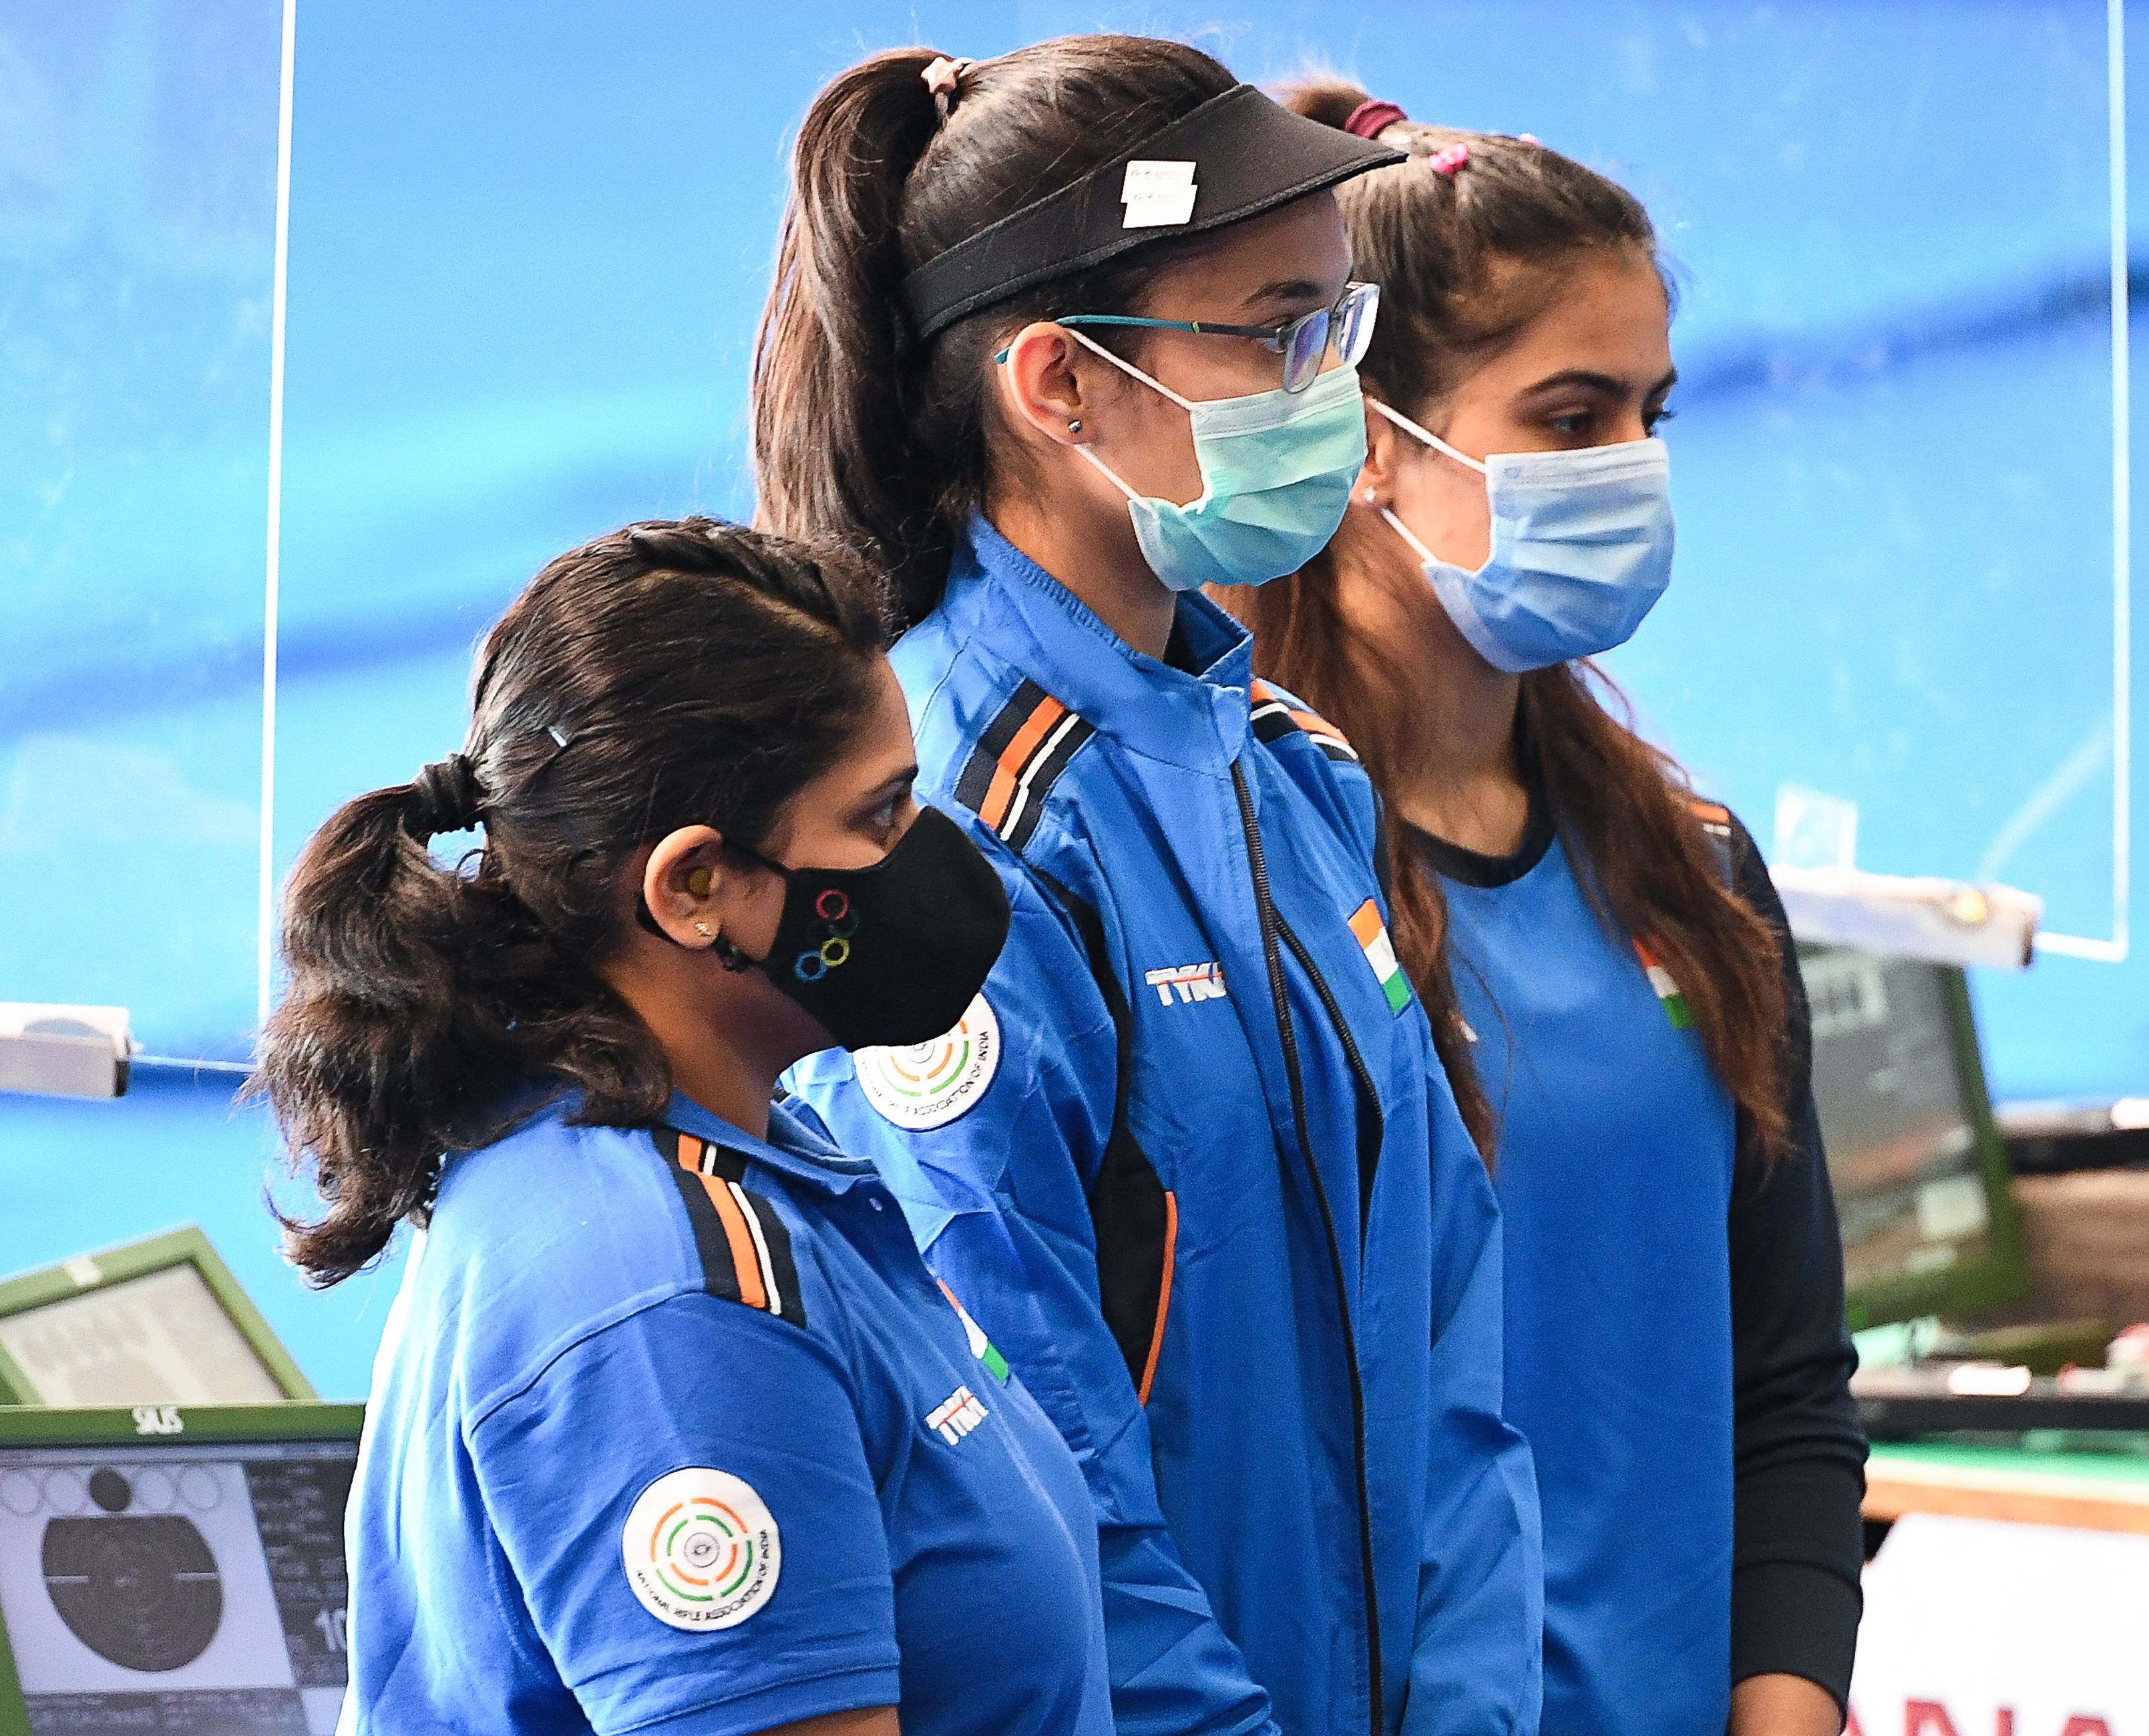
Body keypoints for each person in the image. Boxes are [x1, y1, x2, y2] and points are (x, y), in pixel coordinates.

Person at [751, 37, 1540, 1736]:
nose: (1327, 390)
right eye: (1272, 333)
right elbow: (1029, 1462)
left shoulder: (1288, 766)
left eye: (1338, 328)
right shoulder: (944, 837)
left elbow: (1453, 1322)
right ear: (1060, 384)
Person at [1224, 85, 1869, 1736]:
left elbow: (1785, 1391)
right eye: (1573, 418)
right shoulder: (1244, 893)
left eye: (1655, 411)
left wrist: (1785, 1706)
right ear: (1368, 440)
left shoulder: (1697, 875)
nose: (1634, 470)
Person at [258, 519, 1115, 1736]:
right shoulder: (671, 1310)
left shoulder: (738, 1160)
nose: (930, 853)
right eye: (879, 818)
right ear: (694, 888)